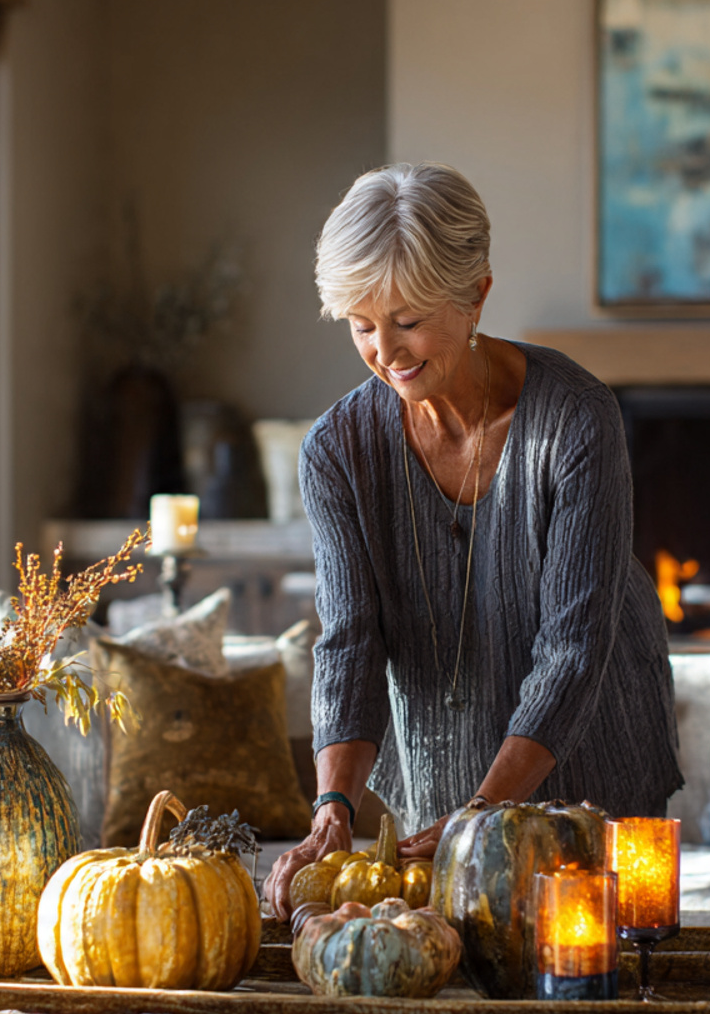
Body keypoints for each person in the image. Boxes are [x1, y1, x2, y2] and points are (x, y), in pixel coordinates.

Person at [264, 162, 681, 918]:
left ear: (476, 294)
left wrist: (485, 816)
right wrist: (333, 808)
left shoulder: (578, 419)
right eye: (362, 325)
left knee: (594, 987)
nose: (385, 351)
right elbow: (351, 641)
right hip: (443, 774)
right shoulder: (337, 450)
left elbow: (575, 645)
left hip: (594, 769)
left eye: (409, 320)